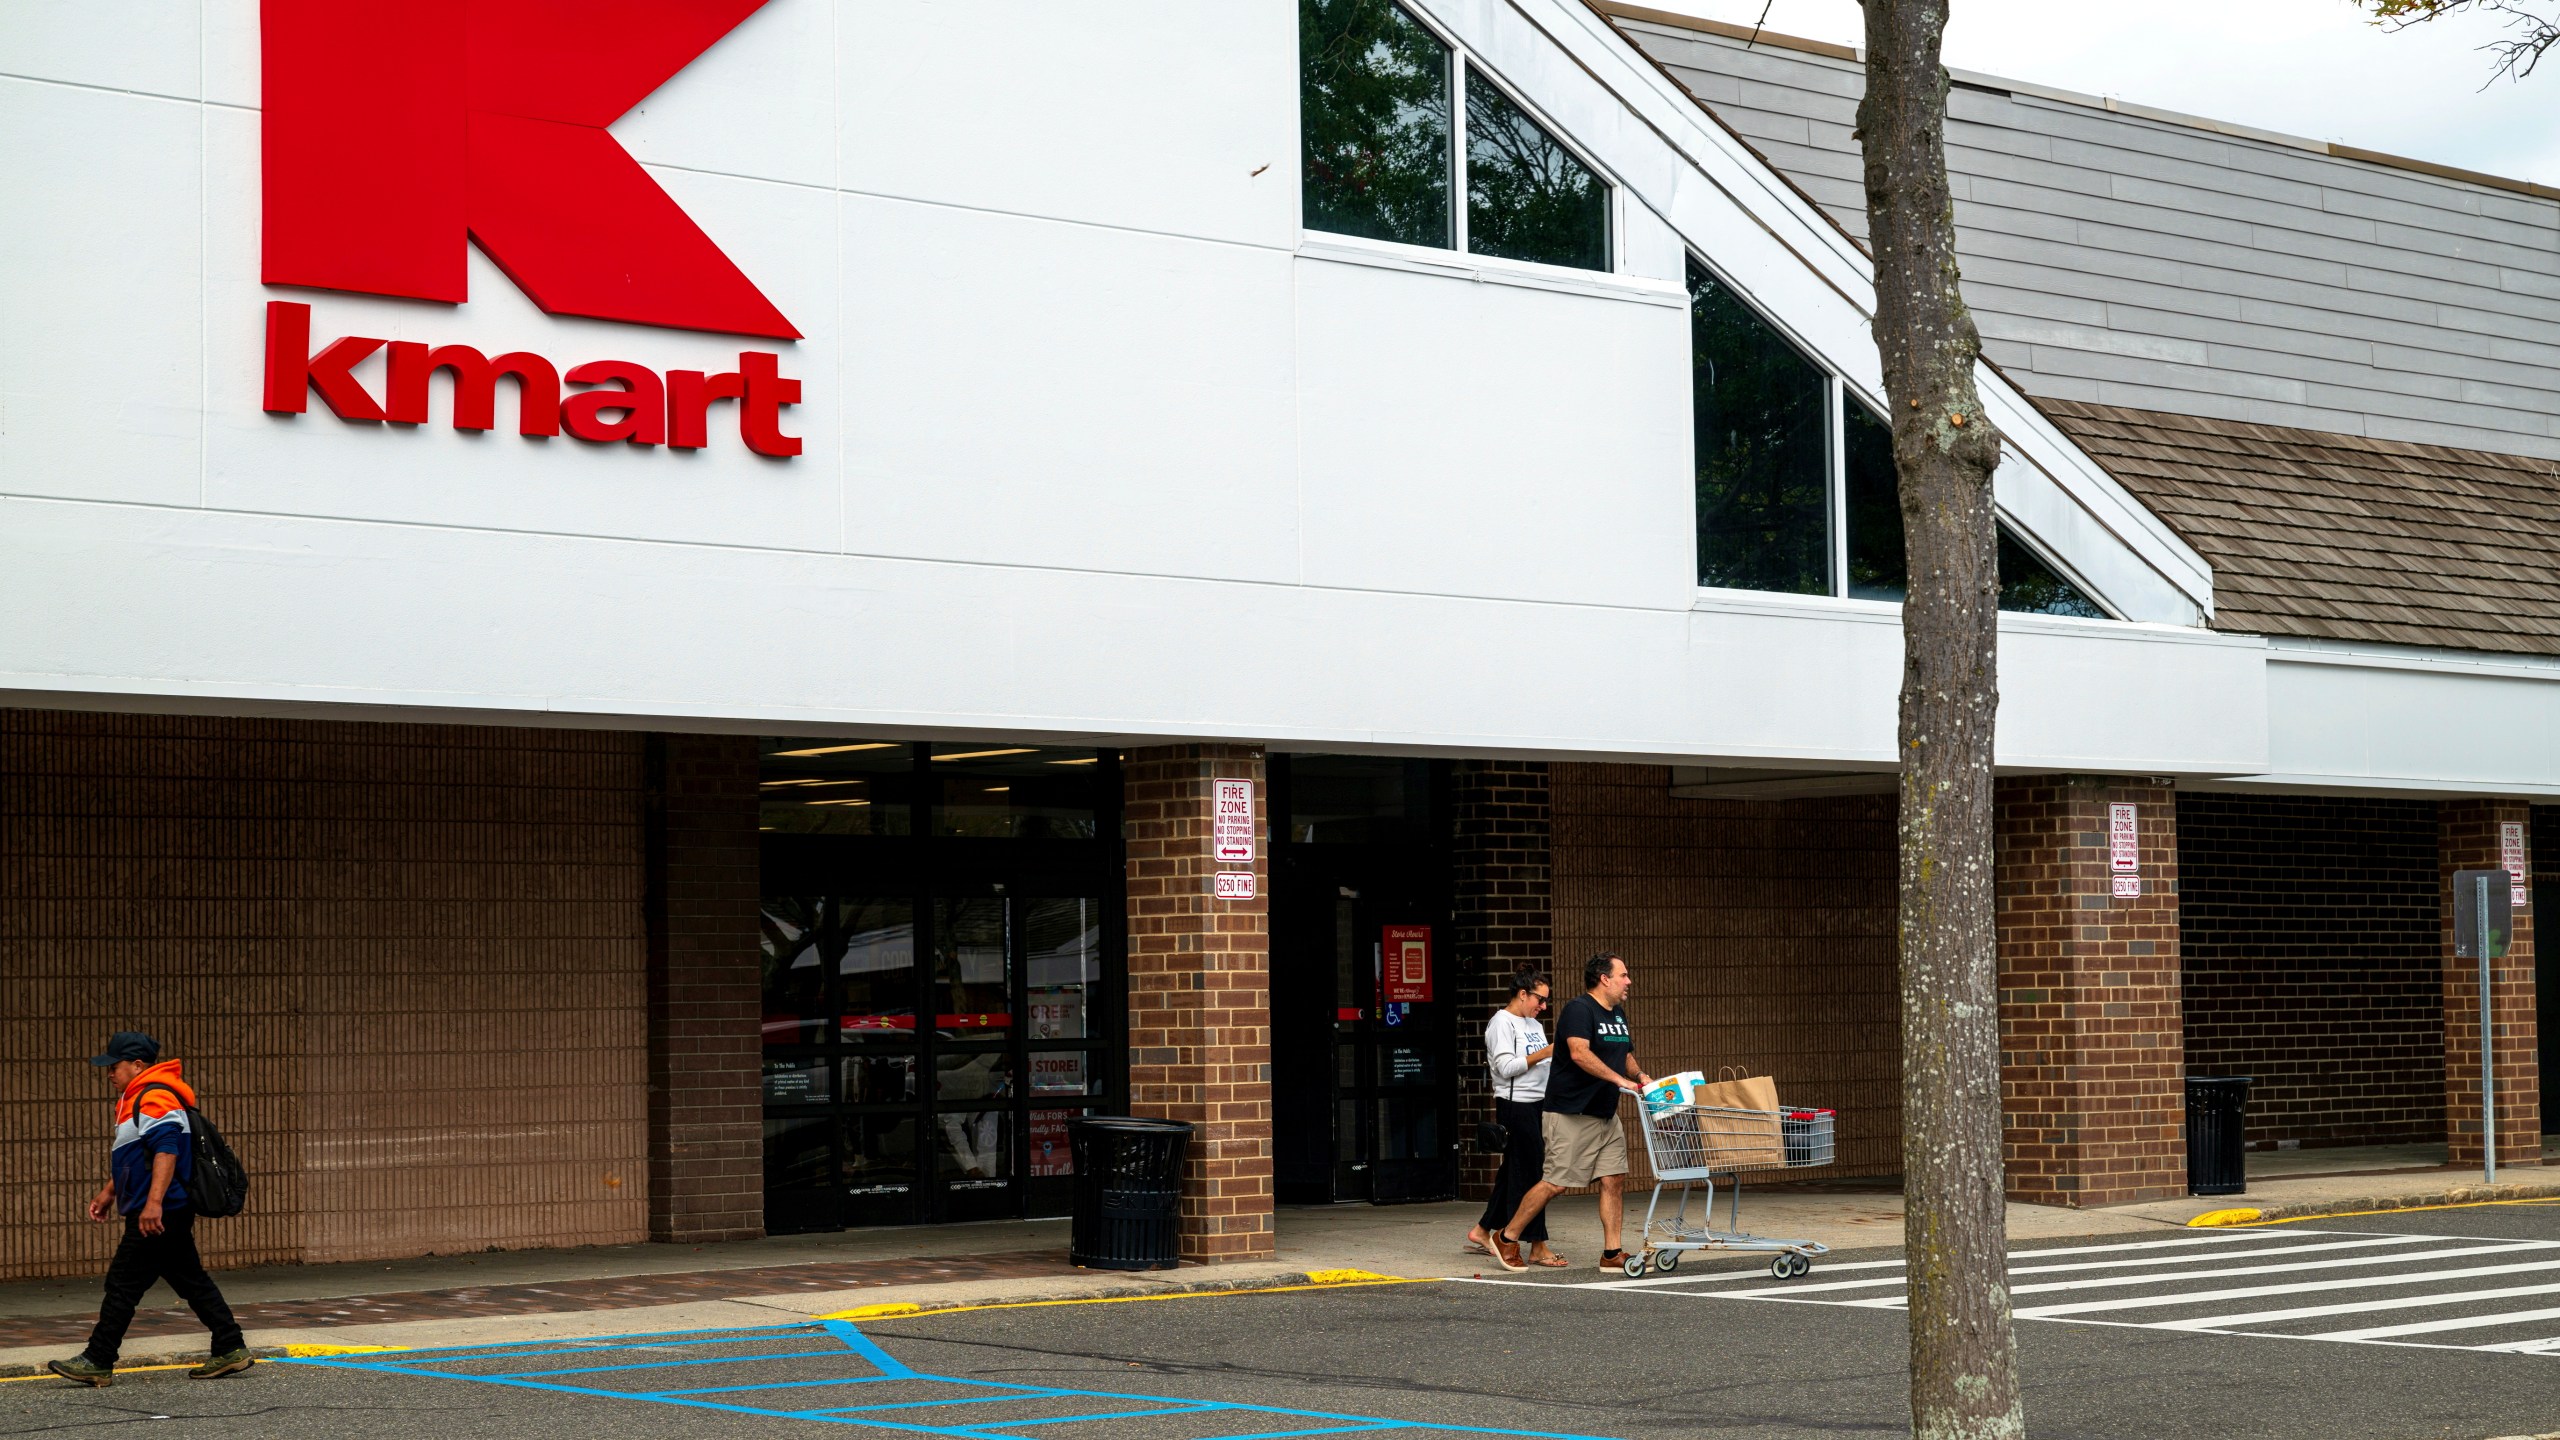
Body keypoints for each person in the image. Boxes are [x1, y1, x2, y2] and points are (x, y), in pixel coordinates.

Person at [49, 1033, 251, 1386]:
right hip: (160, 1208)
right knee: (189, 1279)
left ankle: (98, 1359)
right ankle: (230, 1346)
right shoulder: (137, 1098)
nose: (109, 1073)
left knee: (123, 1284)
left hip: (159, 1210)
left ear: (137, 1065)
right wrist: (109, 1192)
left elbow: (166, 1151)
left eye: (115, 1066)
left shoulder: (154, 1096)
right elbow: (138, 1157)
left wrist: (153, 1204)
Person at [1491, 952, 1651, 1275]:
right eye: (1623, 975)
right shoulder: (1579, 1010)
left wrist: (1640, 1076)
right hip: (1569, 1112)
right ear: (1604, 979)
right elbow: (1579, 1053)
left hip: (1606, 1113)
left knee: (1614, 1178)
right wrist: (1619, 1079)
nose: (1628, 981)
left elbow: (1625, 1053)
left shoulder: (1618, 1014)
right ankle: (1506, 1237)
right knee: (1556, 1182)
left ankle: (1612, 1252)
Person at [1465, 968, 1565, 1267]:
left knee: (1513, 1171)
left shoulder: (1533, 1024)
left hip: (1537, 1103)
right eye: (1540, 999)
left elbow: (1544, 1065)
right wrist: (1546, 1052)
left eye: (1546, 1001)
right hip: (1515, 1103)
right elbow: (1505, 1067)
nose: (1543, 1007)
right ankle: (1537, 1243)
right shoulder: (1501, 1023)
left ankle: (1482, 1230)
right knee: (1534, 1174)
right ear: (1522, 994)